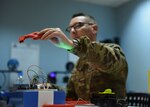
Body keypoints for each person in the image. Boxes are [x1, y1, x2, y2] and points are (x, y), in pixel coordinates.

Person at [39, 12, 128, 102]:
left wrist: (72, 45)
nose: (73, 31)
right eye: (70, 29)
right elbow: (71, 94)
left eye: (78, 25)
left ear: (94, 28)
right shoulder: (79, 62)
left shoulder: (113, 50)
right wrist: (49, 87)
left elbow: (106, 60)